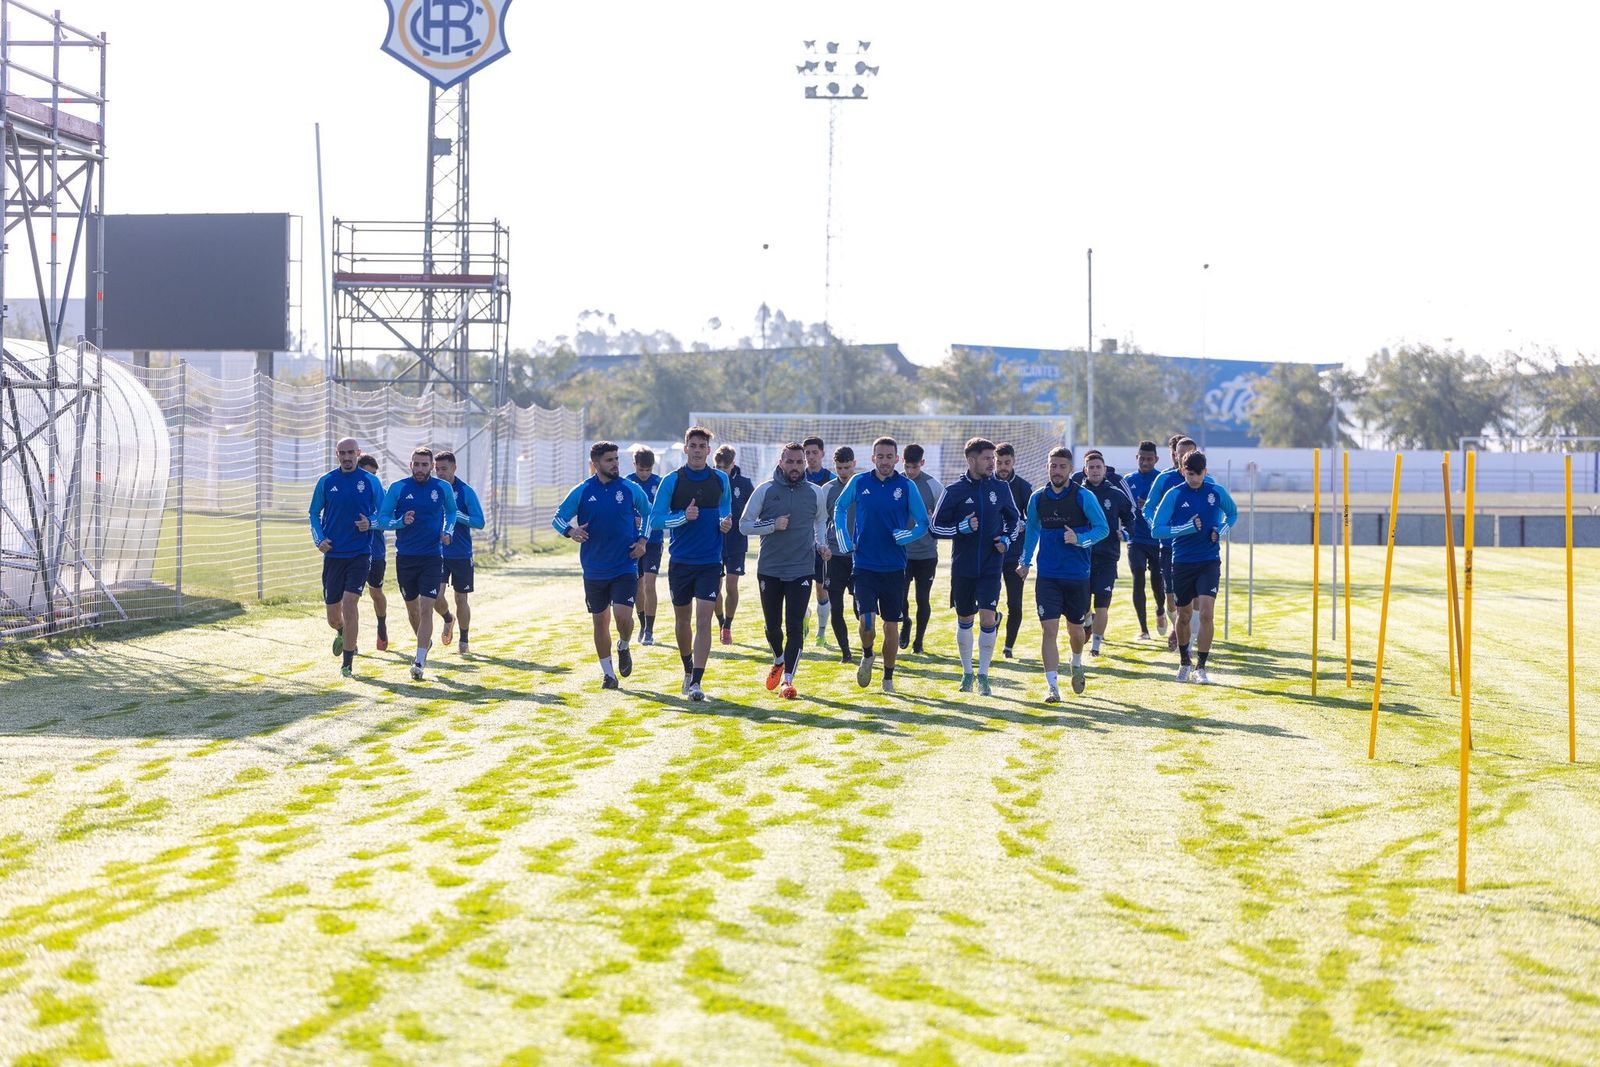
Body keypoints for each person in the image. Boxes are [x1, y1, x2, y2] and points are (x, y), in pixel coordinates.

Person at [552, 441, 652, 689]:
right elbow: (557, 517)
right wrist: (570, 531)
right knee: (600, 621)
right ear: (595, 464)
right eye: (609, 460)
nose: (615, 464)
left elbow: (650, 515)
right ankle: (608, 674)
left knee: (622, 617)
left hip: (624, 565)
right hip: (594, 568)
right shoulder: (582, 491)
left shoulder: (630, 488)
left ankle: (624, 645)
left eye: (617, 459)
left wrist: (643, 541)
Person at [833, 436, 929, 693]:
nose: (885, 461)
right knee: (866, 622)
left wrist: (907, 536)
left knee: (891, 626)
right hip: (864, 564)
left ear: (897, 459)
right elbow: (839, 508)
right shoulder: (859, 481)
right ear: (872, 458)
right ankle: (867, 654)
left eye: (889, 457)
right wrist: (842, 536)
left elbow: (923, 522)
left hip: (895, 568)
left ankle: (888, 678)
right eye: (880, 456)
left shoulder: (907, 487)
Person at [649, 426, 734, 702]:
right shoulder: (671, 481)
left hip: (710, 561)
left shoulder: (721, 479)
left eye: (702, 446)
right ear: (685, 448)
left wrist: (725, 522)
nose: (697, 451)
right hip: (681, 562)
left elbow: (726, 510)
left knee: (704, 620)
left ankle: (697, 681)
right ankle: (687, 668)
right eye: (693, 445)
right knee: (682, 621)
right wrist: (683, 517)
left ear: (709, 451)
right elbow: (656, 520)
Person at [740, 443, 832, 699]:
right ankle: (778, 659)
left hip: (802, 569)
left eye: (799, 462)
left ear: (805, 463)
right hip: (769, 568)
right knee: (773, 627)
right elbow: (744, 526)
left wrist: (822, 544)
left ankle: (788, 681)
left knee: (794, 627)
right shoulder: (765, 490)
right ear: (781, 462)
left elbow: (821, 520)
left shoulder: (815, 492)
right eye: (790, 462)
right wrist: (772, 525)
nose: (795, 467)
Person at [931, 437, 1021, 696]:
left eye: (993, 458)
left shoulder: (1001, 489)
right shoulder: (954, 491)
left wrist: (1006, 537)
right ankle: (967, 673)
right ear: (971, 460)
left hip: (992, 566)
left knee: (988, 617)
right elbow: (935, 527)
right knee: (964, 618)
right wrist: (960, 527)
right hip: (963, 568)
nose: (992, 463)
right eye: (987, 458)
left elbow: (1015, 521)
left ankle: (983, 675)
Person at [1018, 447, 1108, 701]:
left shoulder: (1084, 497)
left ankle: (1076, 661)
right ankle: (1052, 687)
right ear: (1047, 467)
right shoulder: (1037, 498)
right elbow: (1033, 531)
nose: (1056, 471)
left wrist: (1079, 539)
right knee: (1049, 631)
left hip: (1077, 575)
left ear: (1071, 469)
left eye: (1062, 467)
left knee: (1076, 632)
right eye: (1053, 466)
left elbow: (1103, 529)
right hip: (1047, 575)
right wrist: (1025, 561)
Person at [1151, 450, 1238, 684]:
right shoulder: (1174, 494)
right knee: (1184, 615)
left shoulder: (1216, 491)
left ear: (1206, 472)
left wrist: (1220, 531)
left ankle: (1201, 667)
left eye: (1199, 473)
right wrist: (1186, 528)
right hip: (1182, 562)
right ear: (1182, 471)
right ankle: (1184, 662)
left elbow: (1233, 514)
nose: (1195, 478)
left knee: (1207, 613)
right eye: (1190, 474)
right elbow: (1156, 529)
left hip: (1209, 561)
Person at [375, 446, 459, 681]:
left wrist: (447, 531)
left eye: (425, 465)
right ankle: (430, 638)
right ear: (410, 465)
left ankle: (419, 661)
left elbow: (451, 514)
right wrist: (400, 522)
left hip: (432, 556)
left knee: (426, 607)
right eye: (416, 464)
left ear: (432, 466)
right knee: (412, 611)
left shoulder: (442, 488)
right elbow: (382, 519)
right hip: (405, 558)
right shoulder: (398, 488)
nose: (420, 469)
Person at [309, 437, 384, 677]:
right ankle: (341, 631)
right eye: (342, 453)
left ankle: (347, 663)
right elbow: (313, 513)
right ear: (337, 455)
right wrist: (319, 539)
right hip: (333, 554)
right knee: (334, 616)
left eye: (351, 452)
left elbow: (384, 515)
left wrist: (370, 523)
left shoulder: (371, 482)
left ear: (358, 453)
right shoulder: (326, 481)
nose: (347, 457)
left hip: (360, 553)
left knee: (350, 603)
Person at [1070, 449, 1137, 656]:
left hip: (1107, 557)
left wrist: (1125, 532)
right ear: (1085, 470)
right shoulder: (1077, 494)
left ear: (1105, 469)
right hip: (1082, 555)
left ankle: (1096, 646)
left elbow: (1131, 517)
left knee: (1102, 604)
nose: (1095, 470)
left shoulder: (1115, 495)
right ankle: (1087, 621)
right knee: (1082, 604)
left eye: (1099, 467)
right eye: (1091, 467)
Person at [1143, 435, 1200, 653]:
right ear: (1174, 454)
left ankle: (1188, 642)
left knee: (1195, 598)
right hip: (1169, 547)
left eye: (1189, 452)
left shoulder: (1204, 479)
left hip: (1196, 548)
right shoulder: (1164, 479)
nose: (1183, 457)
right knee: (1171, 600)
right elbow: (1148, 508)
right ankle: (1177, 627)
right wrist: (1155, 526)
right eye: (1180, 453)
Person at [430, 450, 486, 655]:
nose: (441, 473)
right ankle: (447, 618)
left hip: (461, 553)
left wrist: (456, 514)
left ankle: (464, 639)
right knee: (435, 595)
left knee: (461, 599)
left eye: (444, 469)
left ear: (454, 468)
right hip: (437, 553)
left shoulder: (465, 491)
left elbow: (479, 522)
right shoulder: (432, 489)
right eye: (438, 469)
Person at [1120, 441, 1169, 641]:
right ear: (1137, 458)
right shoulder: (1128, 480)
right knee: (1138, 576)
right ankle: (1143, 629)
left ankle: (1160, 609)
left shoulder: (1161, 479)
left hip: (1156, 539)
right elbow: (1121, 508)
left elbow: (1168, 507)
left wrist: (1150, 506)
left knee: (1158, 580)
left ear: (1156, 459)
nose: (1145, 462)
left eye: (1150, 459)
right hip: (1136, 539)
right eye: (1142, 458)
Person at [899, 443, 943, 654]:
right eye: (907, 466)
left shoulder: (933, 486)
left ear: (922, 464)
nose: (910, 471)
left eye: (914, 467)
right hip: (901, 553)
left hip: (926, 554)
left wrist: (933, 518)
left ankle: (919, 640)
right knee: (900, 596)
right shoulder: (895, 482)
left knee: (922, 598)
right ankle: (905, 622)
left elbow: (944, 514)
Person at [994, 442, 1033, 660]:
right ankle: (994, 619)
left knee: (1015, 603)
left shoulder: (1024, 488)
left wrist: (1022, 524)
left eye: (1007, 462)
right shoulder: (988, 484)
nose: (1002, 467)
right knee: (984, 600)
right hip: (991, 553)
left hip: (1015, 555)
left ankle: (1008, 647)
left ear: (1014, 462)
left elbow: (1034, 522)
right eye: (999, 462)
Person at [714, 445, 755, 646]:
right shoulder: (710, 481)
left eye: (725, 467)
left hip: (737, 542)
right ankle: (721, 622)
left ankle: (728, 626)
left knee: (731, 585)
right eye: (717, 466)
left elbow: (756, 509)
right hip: (714, 542)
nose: (721, 470)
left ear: (733, 464)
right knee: (714, 587)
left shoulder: (745, 484)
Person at [823, 446, 858, 663]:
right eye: (839, 468)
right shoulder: (827, 489)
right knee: (836, 606)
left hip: (859, 555)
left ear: (854, 464)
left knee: (861, 608)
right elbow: (818, 521)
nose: (843, 472)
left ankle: (867, 647)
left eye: (846, 467)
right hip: (835, 555)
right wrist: (822, 545)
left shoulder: (862, 485)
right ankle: (845, 652)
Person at [626, 448, 665, 645]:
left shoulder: (659, 483)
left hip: (654, 541)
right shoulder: (626, 483)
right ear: (635, 465)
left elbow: (664, 510)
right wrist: (634, 518)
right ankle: (642, 624)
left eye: (648, 470)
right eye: (641, 470)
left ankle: (649, 630)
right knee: (638, 586)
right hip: (633, 541)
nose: (644, 474)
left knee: (650, 584)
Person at [802, 435, 836, 646]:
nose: (811, 457)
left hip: (824, 544)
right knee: (800, 589)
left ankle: (821, 633)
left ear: (823, 454)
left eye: (815, 452)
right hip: (801, 544)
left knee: (822, 590)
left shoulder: (832, 479)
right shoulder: (797, 477)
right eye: (808, 453)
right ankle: (804, 618)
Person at [356, 454, 391, 652]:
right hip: (351, 553)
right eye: (368, 474)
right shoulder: (348, 491)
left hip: (375, 552)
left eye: (375, 474)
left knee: (376, 592)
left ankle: (382, 625)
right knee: (350, 598)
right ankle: (351, 641)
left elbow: (386, 519)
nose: (372, 479)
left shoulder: (380, 491)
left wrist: (369, 523)